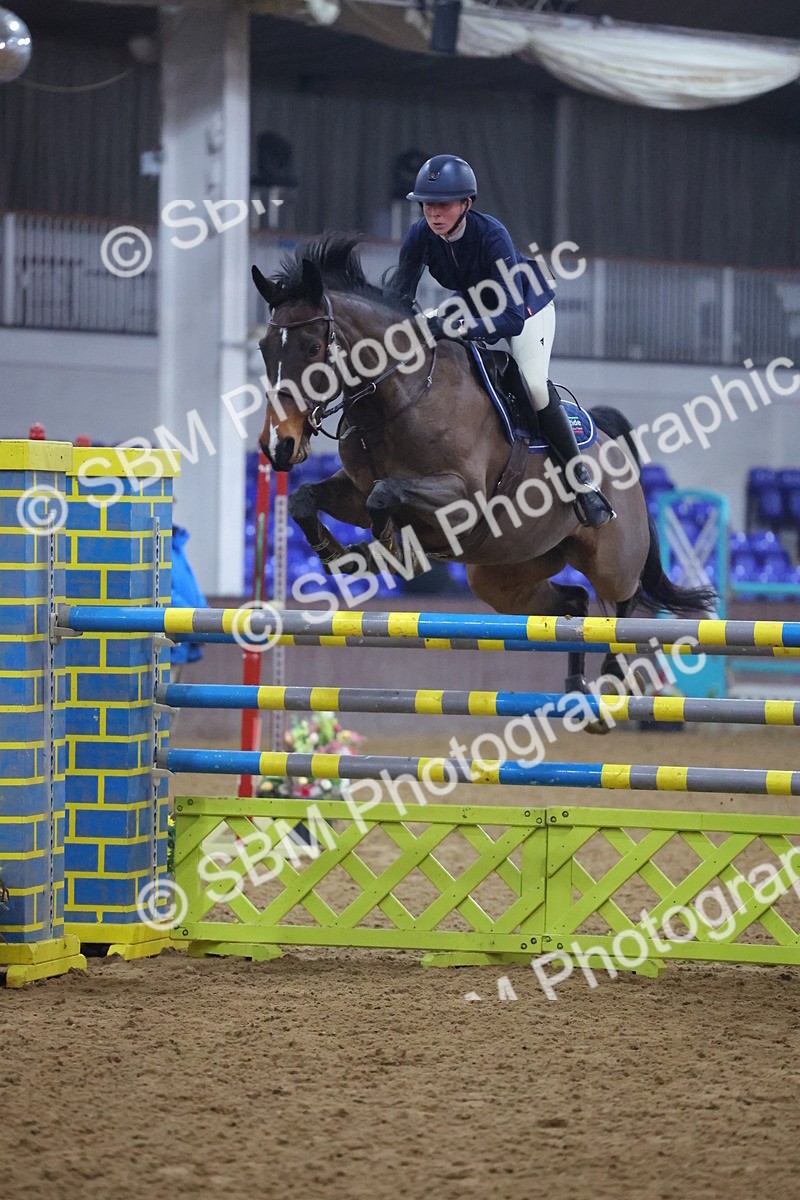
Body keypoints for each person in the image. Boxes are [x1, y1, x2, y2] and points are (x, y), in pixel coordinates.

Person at [395, 153, 614, 528]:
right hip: (471, 303)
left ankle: (582, 483)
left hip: (525, 308)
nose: (433, 213)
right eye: (428, 204)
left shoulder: (491, 234)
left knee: (533, 387)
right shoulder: (420, 236)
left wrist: (456, 328)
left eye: (443, 204)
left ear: (466, 204)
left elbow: (510, 320)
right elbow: (399, 295)